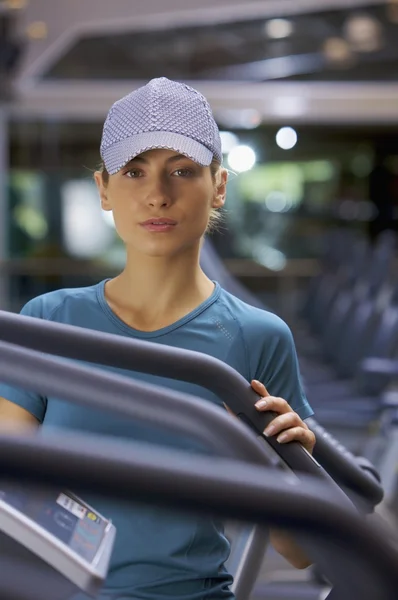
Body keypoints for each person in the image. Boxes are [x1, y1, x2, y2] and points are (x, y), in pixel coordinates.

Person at [0, 77, 315, 600]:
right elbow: (9, 495)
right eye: (134, 171)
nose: (156, 194)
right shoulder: (47, 321)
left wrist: (282, 472)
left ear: (218, 186)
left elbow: (302, 552)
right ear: (104, 188)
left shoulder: (258, 336)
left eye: (182, 171)